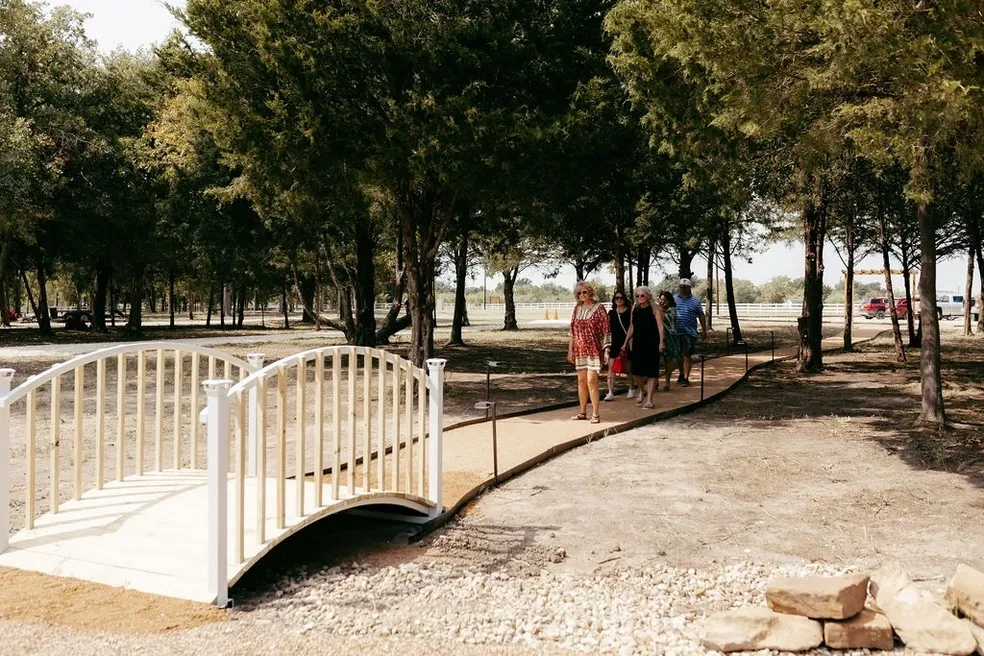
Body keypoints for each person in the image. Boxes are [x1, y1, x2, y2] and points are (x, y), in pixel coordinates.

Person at [568, 281, 611, 424]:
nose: (581, 295)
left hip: (593, 349)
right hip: (579, 350)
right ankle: (582, 412)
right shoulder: (576, 309)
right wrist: (570, 351)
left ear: (590, 292)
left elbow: (605, 330)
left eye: (584, 292)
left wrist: (606, 350)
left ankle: (596, 413)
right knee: (581, 381)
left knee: (592, 381)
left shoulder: (599, 309)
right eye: (579, 293)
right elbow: (572, 332)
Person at [624, 286, 666, 409]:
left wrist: (661, 342)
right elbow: (632, 327)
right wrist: (626, 342)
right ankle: (642, 390)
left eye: (642, 295)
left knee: (652, 372)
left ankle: (650, 400)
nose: (640, 298)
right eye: (637, 296)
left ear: (648, 296)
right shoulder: (634, 309)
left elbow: (660, 327)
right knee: (636, 371)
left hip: (652, 343)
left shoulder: (655, 308)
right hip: (638, 343)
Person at [673, 278, 708, 387]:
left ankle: (686, 378)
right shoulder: (674, 299)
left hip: (689, 332)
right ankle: (681, 373)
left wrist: (704, 330)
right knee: (678, 356)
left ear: (690, 288)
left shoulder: (696, 300)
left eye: (686, 287)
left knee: (686, 355)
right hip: (676, 332)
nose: (683, 289)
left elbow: (701, 315)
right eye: (681, 287)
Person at [605, 291, 635, 401]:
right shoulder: (611, 313)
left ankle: (631, 388)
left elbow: (632, 327)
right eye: (617, 298)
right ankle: (610, 391)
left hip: (626, 342)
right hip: (614, 342)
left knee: (628, 368)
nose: (619, 300)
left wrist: (627, 343)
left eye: (621, 298)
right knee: (611, 367)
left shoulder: (629, 312)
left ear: (625, 299)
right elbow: (607, 329)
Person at [657, 291, 682, 391]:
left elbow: (666, 320)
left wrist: (659, 311)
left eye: (665, 300)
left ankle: (667, 382)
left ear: (669, 301)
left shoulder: (672, 310)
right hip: (657, 338)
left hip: (670, 339)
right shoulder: (656, 309)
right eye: (661, 300)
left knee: (668, 361)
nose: (662, 302)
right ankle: (656, 381)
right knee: (656, 362)